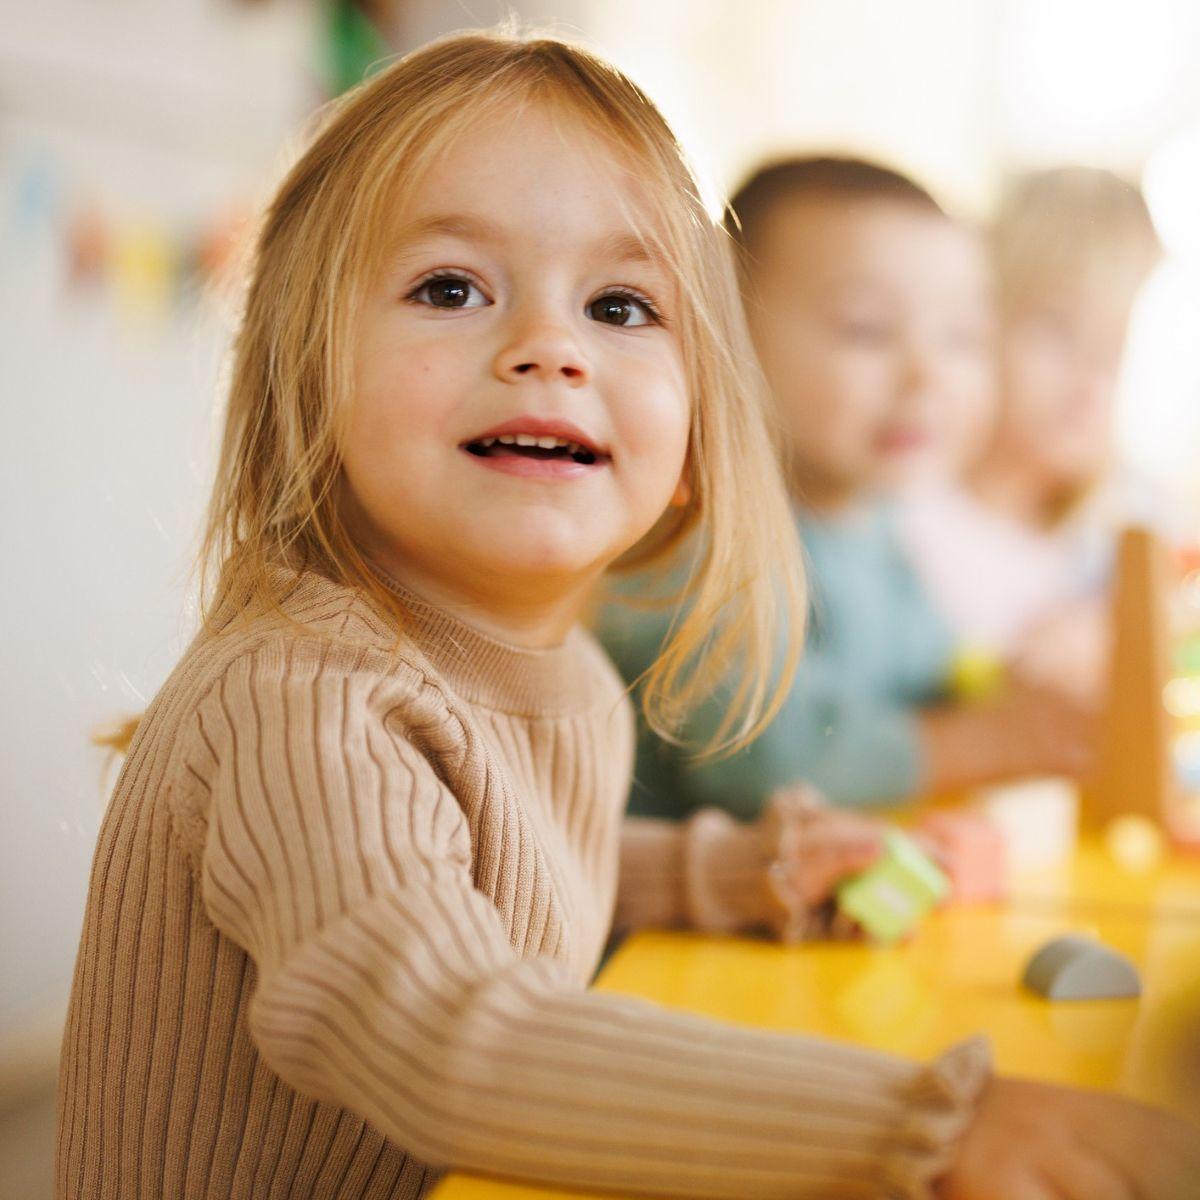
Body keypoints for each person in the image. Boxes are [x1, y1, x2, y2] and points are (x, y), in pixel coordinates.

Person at [56, 33, 1198, 1200]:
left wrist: (734, 877)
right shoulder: (302, 698)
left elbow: (511, 866)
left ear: (699, 435)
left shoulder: (572, 679)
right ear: (304, 378)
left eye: (618, 304)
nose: (548, 348)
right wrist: (931, 1124)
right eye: (450, 287)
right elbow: (442, 1027)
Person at [600, 157, 1088, 817]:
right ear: (724, 337)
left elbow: (930, 671)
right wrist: (985, 740)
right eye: (868, 329)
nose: (928, 377)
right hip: (672, 907)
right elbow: (765, 761)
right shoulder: (697, 542)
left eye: (962, 338)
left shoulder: (875, 522)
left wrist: (1019, 676)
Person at [899, 167, 1164, 705]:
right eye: (1059, 329)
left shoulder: (1112, 537)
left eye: (1116, 346)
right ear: (977, 323)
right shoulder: (901, 514)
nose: (1091, 376)